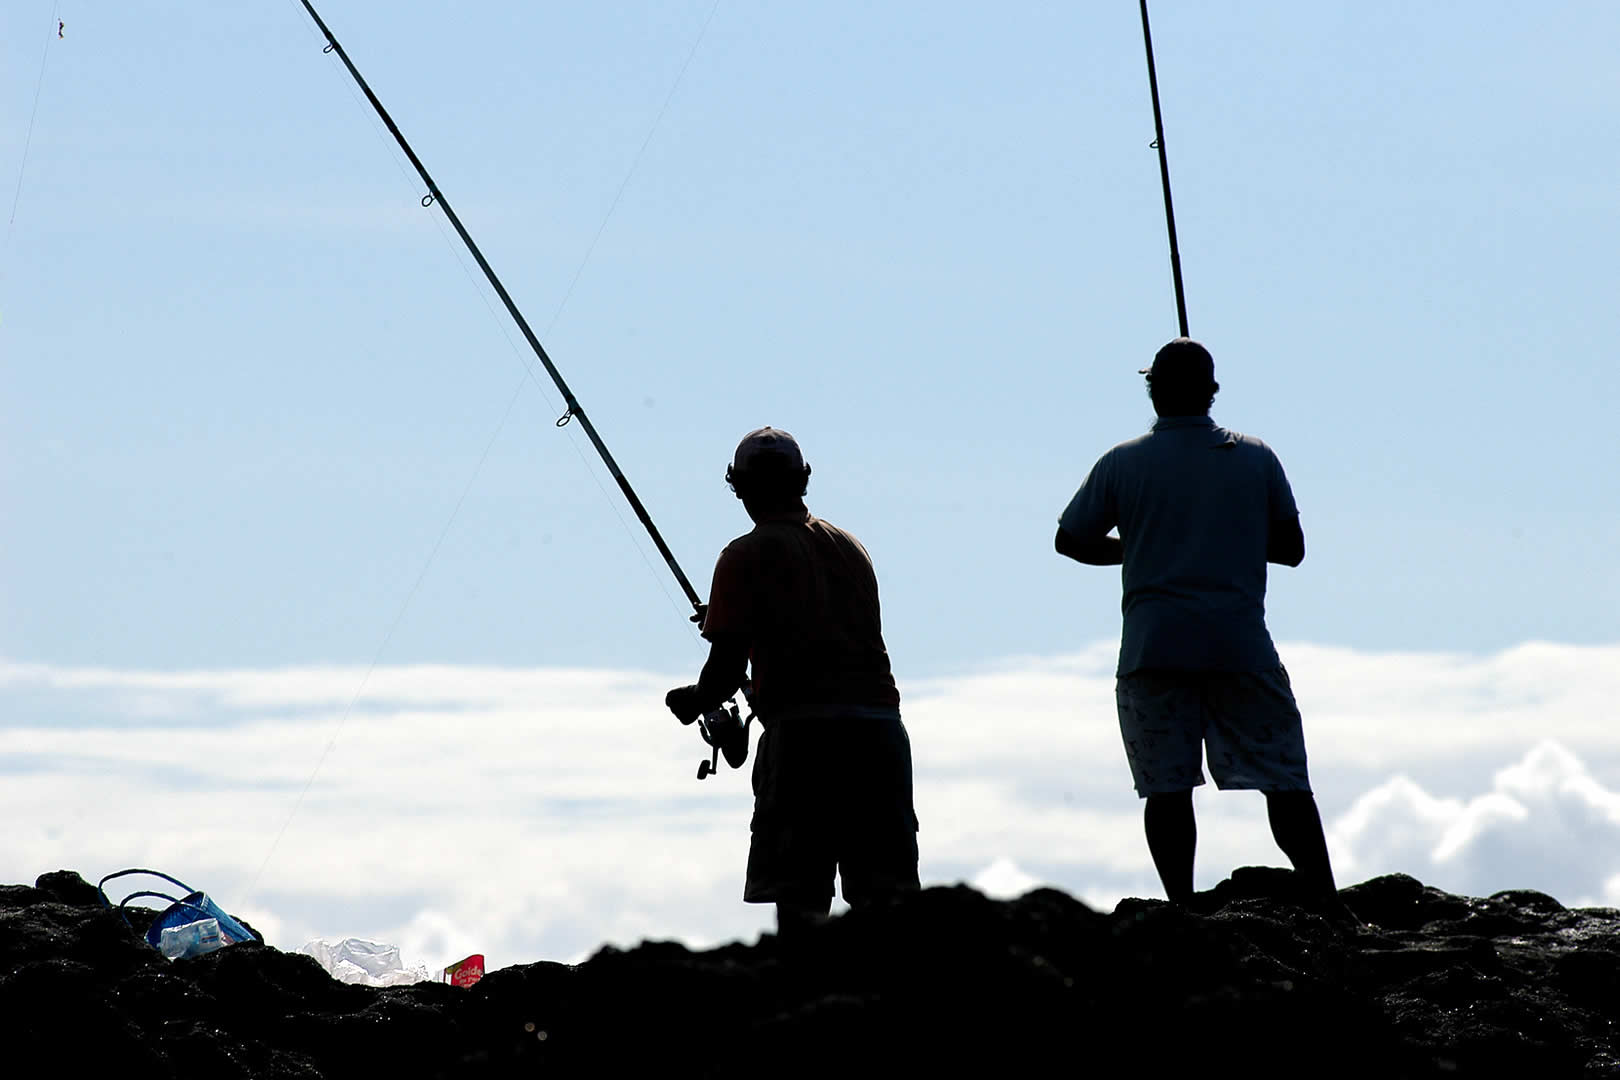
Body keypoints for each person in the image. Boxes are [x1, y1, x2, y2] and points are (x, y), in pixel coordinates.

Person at [1054, 339, 1338, 906]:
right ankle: (1326, 900)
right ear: (1211, 391)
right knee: (1284, 778)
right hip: (1239, 646)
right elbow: (1292, 548)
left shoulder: (1122, 462)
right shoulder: (1256, 456)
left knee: (1166, 787)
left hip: (1153, 649)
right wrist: (1226, 540)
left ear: (1153, 389)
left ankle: (1181, 906)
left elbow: (1071, 540)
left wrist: (1140, 549)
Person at [665, 427, 920, 935]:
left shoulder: (742, 555)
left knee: (801, 906)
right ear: (804, 479)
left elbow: (723, 674)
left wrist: (692, 700)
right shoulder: (851, 548)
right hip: (880, 739)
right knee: (887, 910)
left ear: (737, 487)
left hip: (805, 742)